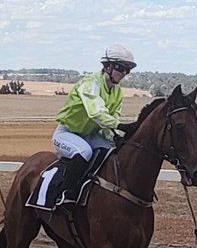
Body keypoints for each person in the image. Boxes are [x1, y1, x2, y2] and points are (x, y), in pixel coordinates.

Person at [50, 44, 137, 204]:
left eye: (127, 70)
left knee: (113, 151)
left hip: (91, 135)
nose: (123, 73)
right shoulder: (90, 83)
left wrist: (118, 136)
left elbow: (109, 123)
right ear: (108, 66)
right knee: (85, 152)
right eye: (120, 67)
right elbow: (96, 113)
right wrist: (120, 126)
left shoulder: (117, 92)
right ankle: (65, 194)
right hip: (67, 133)